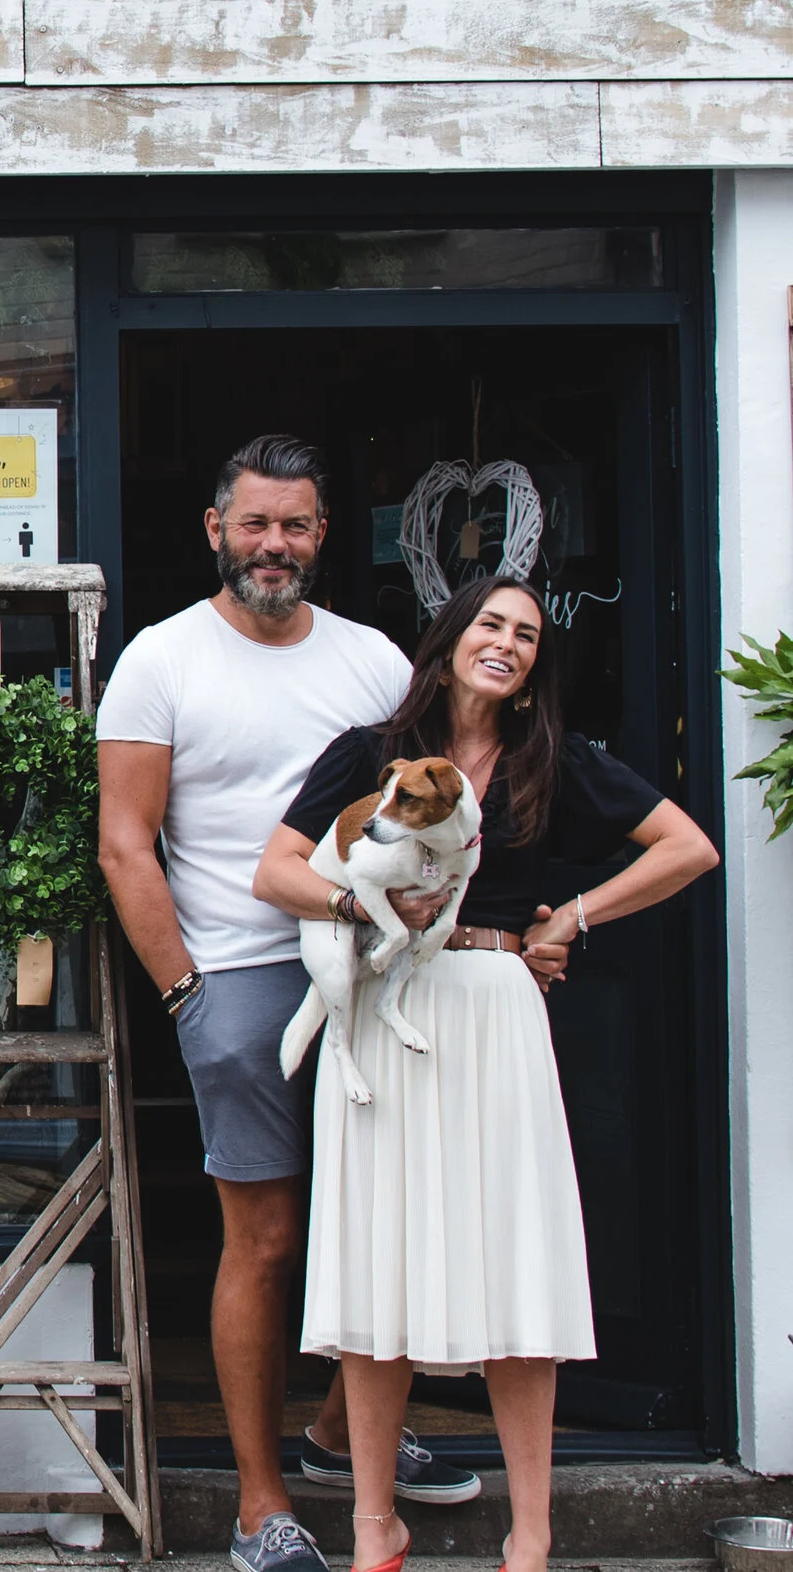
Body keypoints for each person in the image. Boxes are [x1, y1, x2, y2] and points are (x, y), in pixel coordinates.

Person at [255, 575, 716, 1572]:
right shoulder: (369, 752)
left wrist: (571, 916)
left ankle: (532, 1534)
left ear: (532, 666)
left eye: (527, 634)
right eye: (490, 624)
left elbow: (687, 846)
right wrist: (355, 911)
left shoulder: (554, 759)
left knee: (517, 1268)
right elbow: (276, 870)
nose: (506, 642)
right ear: (450, 638)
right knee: (381, 1265)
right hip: (385, 1014)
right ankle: (375, 1524)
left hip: (498, 1003)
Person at [97, 435, 479, 1572]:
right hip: (242, 976)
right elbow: (125, 844)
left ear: (323, 535)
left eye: (297, 524)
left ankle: (331, 1437)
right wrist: (183, 990)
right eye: (255, 523)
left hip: (381, 967)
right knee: (262, 1241)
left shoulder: (370, 661)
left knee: (391, 1217)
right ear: (214, 528)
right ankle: (260, 1503)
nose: (275, 545)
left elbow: (441, 808)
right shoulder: (160, 661)